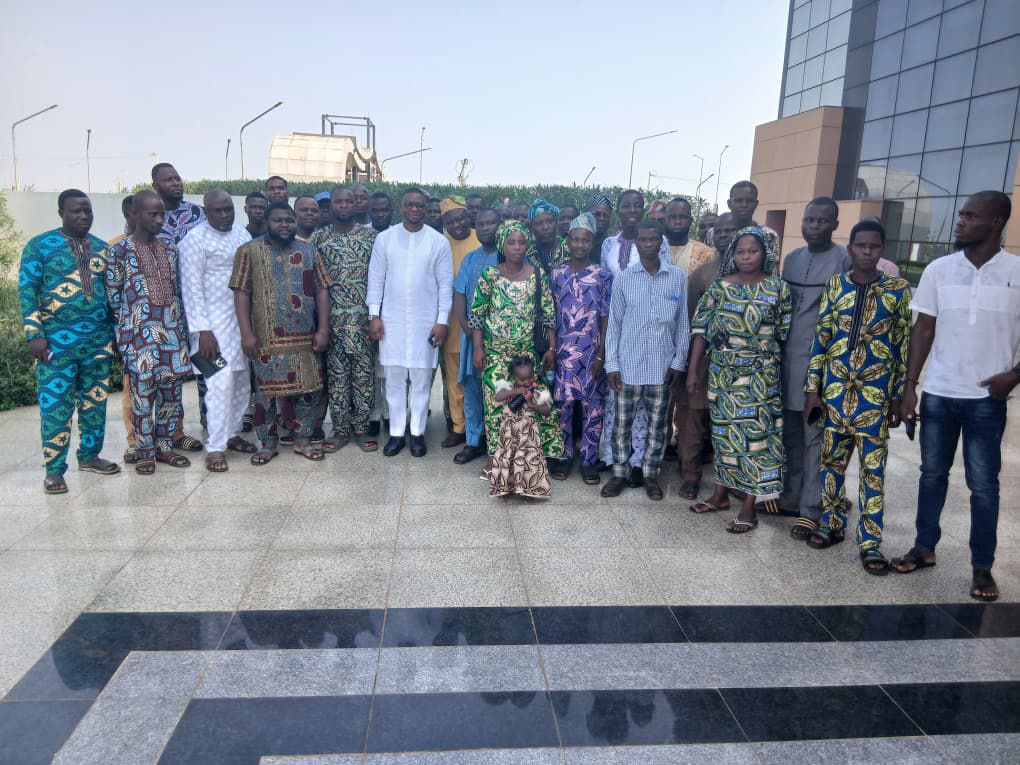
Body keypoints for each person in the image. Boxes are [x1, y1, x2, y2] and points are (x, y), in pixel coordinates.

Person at [891, 191, 1020, 603]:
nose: (960, 222)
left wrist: (1014, 376)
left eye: (970, 216)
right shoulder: (939, 270)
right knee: (931, 475)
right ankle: (923, 548)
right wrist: (910, 387)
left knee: (983, 485)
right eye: (961, 214)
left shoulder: (1016, 272)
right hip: (939, 393)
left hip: (987, 400)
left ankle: (982, 567)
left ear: (997, 221)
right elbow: (923, 328)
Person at [802, 219, 911, 573]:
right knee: (831, 464)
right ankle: (831, 524)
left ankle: (870, 542)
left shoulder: (897, 289)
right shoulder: (836, 285)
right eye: (861, 246)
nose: (867, 252)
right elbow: (821, 338)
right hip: (834, 391)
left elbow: (902, 346)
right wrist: (812, 389)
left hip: (874, 396)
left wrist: (898, 396)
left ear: (882, 250)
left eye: (874, 246)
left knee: (872, 471)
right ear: (850, 249)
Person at [687, 227, 792, 532]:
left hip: (761, 376)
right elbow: (701, 329)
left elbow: (783, 333)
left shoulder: (778, 289)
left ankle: (749, 506)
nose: (746, 257)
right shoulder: (720, 287)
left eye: (753, 251)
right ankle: (719, 495)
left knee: (755, 441)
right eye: (740, 252)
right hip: (724, 374)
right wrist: (693, 370)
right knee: (723, 436)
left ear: (765, 253)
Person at [18, 189, 120, 494]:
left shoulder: (103, 249)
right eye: (76, 211)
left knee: (95, 404)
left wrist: (116, 337)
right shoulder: (40, 246)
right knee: (56, 408)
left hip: (98, 343)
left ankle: (89, 456)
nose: (84, 216)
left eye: (88, 210)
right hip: (55, 346)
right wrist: (34, 334)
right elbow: (27, 290)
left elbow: (113, 298)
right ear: (61, 213)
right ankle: (54, 471)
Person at [232, 203, 331, 464]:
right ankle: (268, 443)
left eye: (289, 220)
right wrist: (246, 334)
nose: (284, 225)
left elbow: (322, 289)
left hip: (305, 336)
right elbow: (241, 292)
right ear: (267, 222)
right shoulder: (248, 251)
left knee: (309, 390)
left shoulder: (309, 250)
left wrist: (323, 329)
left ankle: (303, 440)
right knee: (265, 394)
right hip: (265, 337)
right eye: (278, 220)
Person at [600, 219, 688, 501]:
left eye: (653, 239)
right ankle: (619, 473)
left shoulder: (677, 277)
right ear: (636, 243)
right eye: (643, 239)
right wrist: (612, 365)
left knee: (658, 426)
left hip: (662, 367)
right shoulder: (624, 278)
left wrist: (678, 362)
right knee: (621, 425)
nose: (648, 244)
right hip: (628, 366)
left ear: (661, 242)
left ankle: (650, 475)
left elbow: (682, 324)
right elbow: (614, 325)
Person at [779, 198, 852, 536]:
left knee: (815, 439)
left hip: (820, 364)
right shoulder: (792, 259)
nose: (814, 226)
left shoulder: (844, 260)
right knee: (791, 434)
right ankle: (790, 498)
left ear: (835, 224)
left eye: (822, 221)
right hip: (786, 360)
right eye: (809, 219)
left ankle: (811, 507)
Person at [106, 190, 192, 475]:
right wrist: (126, 336)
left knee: (171, 395)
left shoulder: (171, 250)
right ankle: (145, 451)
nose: (158, 220)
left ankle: (165, 446)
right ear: (135, 214)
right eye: (152, 214)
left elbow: (178, 292)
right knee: (141, 397)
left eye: (161, 215)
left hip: (172, 334)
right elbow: (114, 299)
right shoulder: (119, 251)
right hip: (138, 338)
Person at [470, 220, 565, 476]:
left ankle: (544, 457)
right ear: (502, 244)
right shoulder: (490, 275)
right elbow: (478, 314)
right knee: (496, 407)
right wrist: (478, 348)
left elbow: (549, 314)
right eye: (511, 242)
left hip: (526, 356)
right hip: (495, 354)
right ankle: (495, 460)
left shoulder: (537, 274)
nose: (517, 247)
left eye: (522, 242)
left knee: (539, 400)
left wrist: (552, 348)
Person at [367, 187, 454, 458]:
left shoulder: (438, 242)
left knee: (421, 380)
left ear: (426, 209)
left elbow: (445, 285)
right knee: (393, 381)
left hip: (425, 322)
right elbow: (376, 279)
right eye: (409, 205)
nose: (415, 210)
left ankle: (417, 433)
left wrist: (442, 321)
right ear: (401, 207)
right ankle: (396, 433)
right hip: (391, 321)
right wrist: (374, 316)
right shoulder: (385, 239)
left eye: (419, 205)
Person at [178, 189, 256, 472]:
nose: (224, 215)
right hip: (211, 330)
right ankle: (215, 447)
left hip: (240, 324)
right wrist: (202, 331)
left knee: (242, 382)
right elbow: (191, 288)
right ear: (206, 211)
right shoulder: (194, 240)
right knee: (219, 384)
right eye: (217, 211)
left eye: (228, 209)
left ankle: (232, 434)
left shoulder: (241, 235)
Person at [311, 185, 379, 453]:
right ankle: (340, 430)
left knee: (364, 377)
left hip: (364, 321)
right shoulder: (319, 238)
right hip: (332, 322)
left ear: (356, 205)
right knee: (337, 379)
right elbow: (314, 282)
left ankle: (361, 429)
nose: (343, 206)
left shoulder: (372, 237)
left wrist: (376, 316)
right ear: (331, 205)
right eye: (338, 201)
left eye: (348, 201)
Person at [663, 197, 721, 499]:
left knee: (689, 411)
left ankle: (689, 470)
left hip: (693, 341)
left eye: (683, 217)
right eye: (672, 216)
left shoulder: (705, 255)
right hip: (655, 340)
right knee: (658, 405)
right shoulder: (652, 246)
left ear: (690, 219)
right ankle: (656, 456)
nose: (677, 221)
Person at [550, 213, 612, 484]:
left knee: (593, 408)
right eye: (575, 239)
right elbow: (550, 315)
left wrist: (601, 355)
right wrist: (552, 349)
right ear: (568, 241)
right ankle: (563, 456)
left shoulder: (603, 276)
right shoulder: (556, 274)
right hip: (563, 353)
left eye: (585, 240)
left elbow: (606, 318)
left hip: (591, 353)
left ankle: (588, 460)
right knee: (562, 406)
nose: (579, 245)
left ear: (592, 242)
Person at [598, 189, 650, 485]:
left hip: (642, 328)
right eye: (626, 205)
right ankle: (611, 456)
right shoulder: (608, 243)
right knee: (613, 394)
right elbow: (604, 283)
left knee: (640, 399)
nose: (632, 210)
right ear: (619, 210)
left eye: (637, 205)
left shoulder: (655, 242)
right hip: (613, 325)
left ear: (643, 209)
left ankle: (638, 460)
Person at [451, 208, 500, 465]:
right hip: (471, 336)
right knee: (472, 388)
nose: (486, 228)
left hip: (502, 340)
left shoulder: (511, 256)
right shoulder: (470, 259)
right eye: (481, 224)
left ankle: (496, 443)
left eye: (491, 223)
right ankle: (473, 441)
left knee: (498, 390)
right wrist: (465, 325)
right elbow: (460, 292)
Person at [440, 196, 481, 449]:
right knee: (455, 379)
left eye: (460, 218)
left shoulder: (482, 238)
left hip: (483, 323)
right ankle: (459, 428)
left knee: (479, 379)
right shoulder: (440, 242)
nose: (456, 225)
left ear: (468, 216)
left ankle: (482, 430)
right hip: (452, 322)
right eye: (450, 221)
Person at [490, 356, 554, 499]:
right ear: (513, 377)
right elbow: (498, 397)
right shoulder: (508, 387)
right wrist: (516, 392)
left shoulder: (537, 392)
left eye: (530, 378)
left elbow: (546, 411)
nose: (526, 382)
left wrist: (532, 405)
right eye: (522, 380)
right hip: (510, 433)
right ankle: (505, 487)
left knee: (528, 461)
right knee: (508, 458)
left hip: (528, 436)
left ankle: (528, 489)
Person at [151, 163, 205, 245]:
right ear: (155, 186)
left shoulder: (197, 212)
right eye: (169, 180)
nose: (176, 183)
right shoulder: (146, 217)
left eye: (178, 179)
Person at [527, 198, 569, 274]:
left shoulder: (570, 248)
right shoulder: (527, 252)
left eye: (550, 221)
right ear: (532, 228)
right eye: (539, 223)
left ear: (556, 223)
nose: (545, 227)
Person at [586, 192, 614, 265]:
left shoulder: (613, 247)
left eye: (605, 215)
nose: (601, 218)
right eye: (597, 214)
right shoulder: (578, 245)